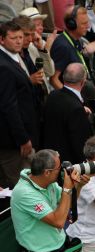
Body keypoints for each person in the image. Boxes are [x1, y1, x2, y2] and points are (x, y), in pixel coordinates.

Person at [0, 20, 39, 188]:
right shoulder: (4, 66)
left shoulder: (13, 59)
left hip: (20, 138)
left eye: (20, 37)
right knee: (21, 189)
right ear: (2, 40)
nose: (18, 41)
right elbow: (9, 106)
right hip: (13, 143)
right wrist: (23, 139)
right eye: (13, 37)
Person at [49, 5, 95, 90]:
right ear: (71, 24)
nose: (88, 26)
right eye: (84, 23)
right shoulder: (62, 46)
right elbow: (53, 80)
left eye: (87, 22)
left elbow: (89, 49)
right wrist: (73, 98)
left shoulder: (76, 40)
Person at [42, 63, 94, 163]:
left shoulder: (53, 95)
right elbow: (80, 145)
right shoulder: (76, 108)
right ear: (83, 81)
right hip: (69, 164)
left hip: (50, 158)